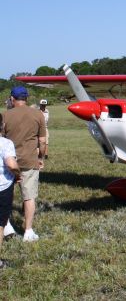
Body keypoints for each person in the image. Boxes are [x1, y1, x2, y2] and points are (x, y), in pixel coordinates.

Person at [1, 86, 46, 241]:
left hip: (9, 162)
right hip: (29, 161)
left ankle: (6, 225)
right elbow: (42, 141)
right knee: (29, 197)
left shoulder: (5, 115)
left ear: (12, 99)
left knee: (6, 195)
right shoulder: (38, 114)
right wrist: (41, 157)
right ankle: (28, 231)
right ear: (26, 98)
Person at [0, 113, 20, 268]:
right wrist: (18, 175)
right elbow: (12, 165)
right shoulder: (6, 143)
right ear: (2, 126)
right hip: (3, 187)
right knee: (0, 224)